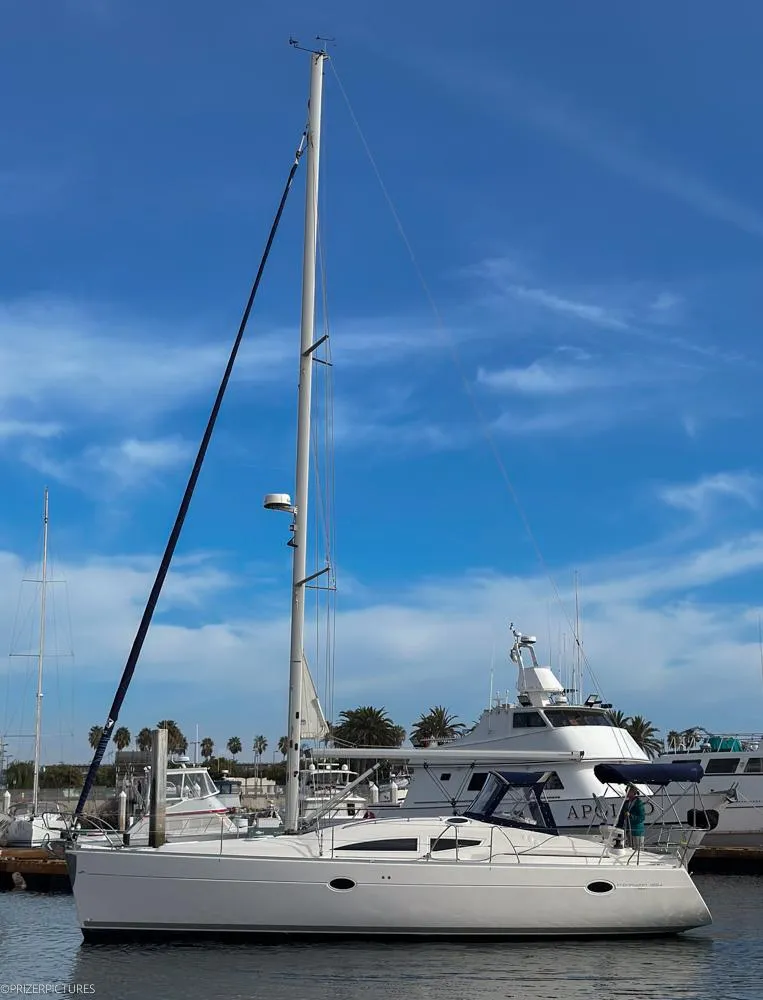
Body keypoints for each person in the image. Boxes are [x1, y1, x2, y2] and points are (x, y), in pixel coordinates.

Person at [620, 785, 646, 851]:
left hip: (637, 831)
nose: (627, 793)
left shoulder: (639, 803)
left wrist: (630, 816)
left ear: (633, 792)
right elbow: (621, 817)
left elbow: (642, 817)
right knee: (630, 849)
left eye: (628, 791)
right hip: (628, 830)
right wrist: (619, 827)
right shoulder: (626, 803)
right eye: (626, 791)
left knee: (638, 850)